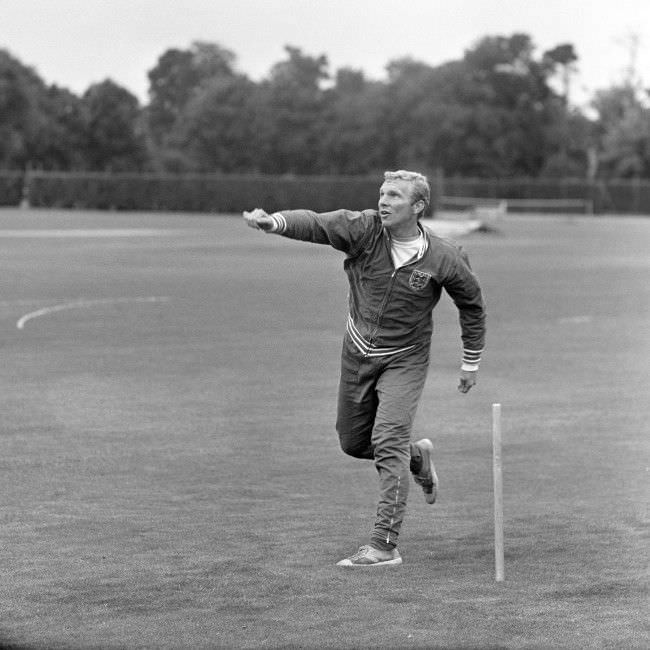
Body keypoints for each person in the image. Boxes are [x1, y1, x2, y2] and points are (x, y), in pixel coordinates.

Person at [243, 170, 486, 568]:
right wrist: (275, 222)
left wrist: (470, 360)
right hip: (357, 352)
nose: (384, 201)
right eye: (382, 193)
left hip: (406, 358)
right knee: (354, 443)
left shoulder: (445, 256)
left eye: (395, 196)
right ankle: (417, 459)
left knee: (387, 439)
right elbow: (319, 224)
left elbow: (472, 305)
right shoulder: (363, 229)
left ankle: (382, 545)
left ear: (419, 206)